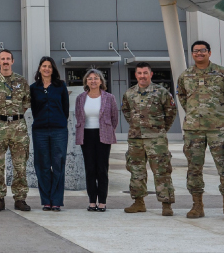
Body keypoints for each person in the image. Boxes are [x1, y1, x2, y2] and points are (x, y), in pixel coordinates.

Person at [176, 40, 224, 221]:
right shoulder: (185, 76)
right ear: (192, 54)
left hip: (219, 129)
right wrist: (193, 113)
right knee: (194, 168)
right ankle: (197, 205)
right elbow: (182, 97)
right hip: (193, 129)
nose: (199, 54)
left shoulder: (223, 73)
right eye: (196, 51)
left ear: (209, 53)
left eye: (203, 50)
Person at [122, 62, 177, 215]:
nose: (142, 76)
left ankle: (166, 204)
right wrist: (137, 127)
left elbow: (171, 113)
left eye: (145, 73)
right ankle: (138, 202)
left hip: (156, 139)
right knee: (136, 171)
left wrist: (160, 129)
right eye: (139, 73)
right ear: (135, 75)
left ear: (151, 74)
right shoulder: (129, 93)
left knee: (162, 171)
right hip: (135, 139)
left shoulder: (161, 92)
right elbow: (126, 112)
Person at [0, 49, 32, 212]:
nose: (5, 61)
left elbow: (26, 104)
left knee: (20, 165)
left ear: (12, 61)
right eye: (2, 59)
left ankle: (20, 198)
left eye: (8, 59)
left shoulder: (21, 81)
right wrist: (0, 119)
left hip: (18, 126)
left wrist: (14, 117)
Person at [75, 68, 118, 212]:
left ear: (101, 81)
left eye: (96, 78)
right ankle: (92, 201)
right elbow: (78, 117)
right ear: (86, 81)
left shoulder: (109, 97)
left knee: (102, 169)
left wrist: (108, 130)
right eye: (90, 78)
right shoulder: (81, 98)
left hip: (103, 135)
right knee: (90, 169)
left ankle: (103, 202)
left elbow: (114, 118)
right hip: (86, 135)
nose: (93, 81)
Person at [30, 56, 69, 211]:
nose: (46, 69)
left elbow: (65, 109)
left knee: (58, 164)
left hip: (58, 130)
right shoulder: (33, 88)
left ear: (53, 70)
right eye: (44, 66)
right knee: (42, 165)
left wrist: (58, 121)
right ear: (40, 69)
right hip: (40, 131)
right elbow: (33, 109)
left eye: (49, 66)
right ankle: (46, 200)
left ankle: (57, 200)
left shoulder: (61, 86)